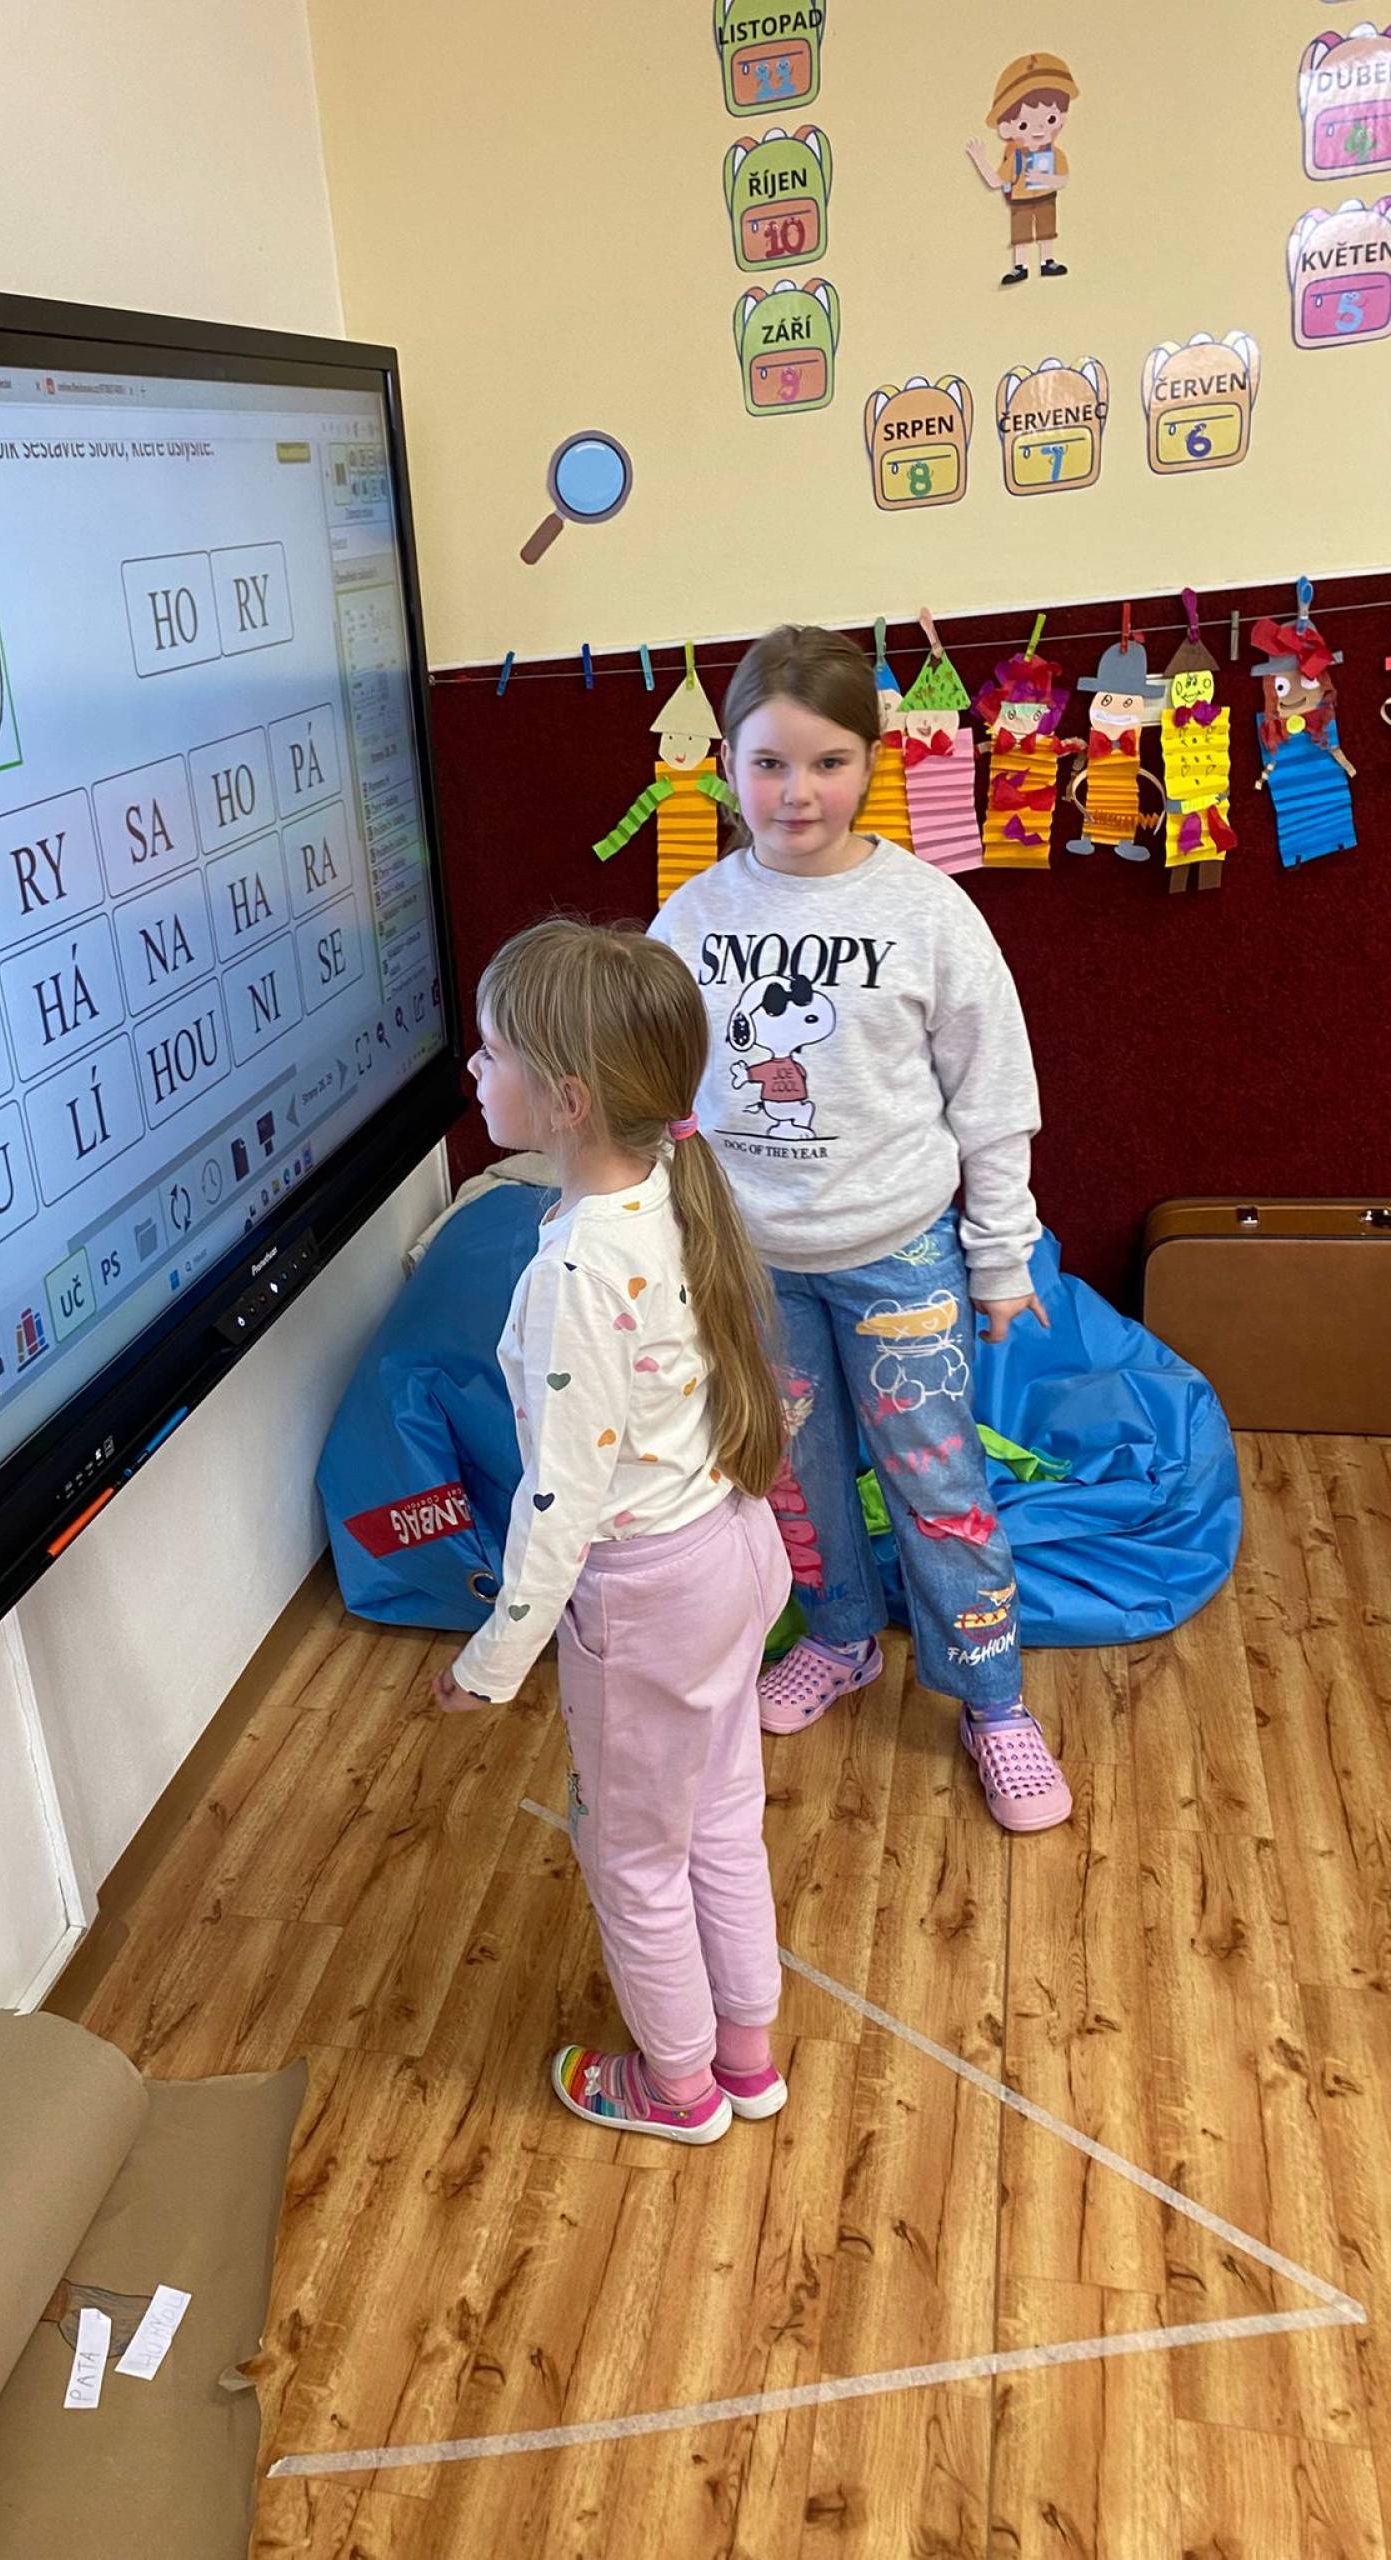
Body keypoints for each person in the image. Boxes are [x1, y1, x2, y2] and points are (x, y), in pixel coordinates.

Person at [649, 624, 1072, 1835]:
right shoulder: (691, 916)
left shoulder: (928, 911)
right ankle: (839, 1638)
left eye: (829, 762)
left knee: (939, 1482)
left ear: (873, 763)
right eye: (770, 763)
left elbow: (994, 1098)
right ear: (728, 765)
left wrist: (1001, 1257)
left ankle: (992, 1699)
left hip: (899, 1257)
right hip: (749, 1265)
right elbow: (659, 1092)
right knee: (791, 1474)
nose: (798, 792)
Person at [436, 920, 792, 2146]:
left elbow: (560, 1504)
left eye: (492, 1053)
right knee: (721, 1818)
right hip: (730, 1554)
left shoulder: (576, 1275)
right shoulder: (671, 1190)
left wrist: (492, 1662)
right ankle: (746, 2054)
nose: (475, 1071)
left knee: (634, 1854)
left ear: (569, 1098)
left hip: (648, 1601)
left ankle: (678, 2087)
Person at [966, 51, 1077, 287]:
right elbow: (995, 181)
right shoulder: (1016, 157)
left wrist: (1045, 179)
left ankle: (1047, 261)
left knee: (1047, 230)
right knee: (1022, 234)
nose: (1038, 130)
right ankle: (1021, 266)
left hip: (1046, 198)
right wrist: (979, 158)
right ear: (1007, 128)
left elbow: (1063, 179)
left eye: (1049, 120)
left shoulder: (1055, 155)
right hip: (1021, 202)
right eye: (1024, 124)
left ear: (1062, 118)